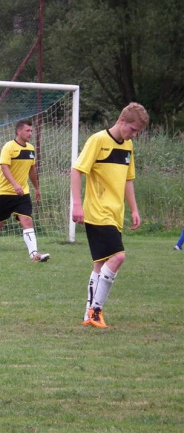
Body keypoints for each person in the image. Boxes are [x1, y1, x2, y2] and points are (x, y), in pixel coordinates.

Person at [71, 102, 150, 328]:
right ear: (122, 121)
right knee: (118, 257)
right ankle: (96, 311)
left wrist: (134, 209)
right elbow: (77, 171)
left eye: (137, 132)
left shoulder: (128, 146)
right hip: (97, 212)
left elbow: (127, 179)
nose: (133, 135)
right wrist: (77, 204)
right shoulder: (97, 141)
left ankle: (88, 315)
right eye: (132, 129)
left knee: (100, 264)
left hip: (115, 214)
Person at [0, 119, 50, 263]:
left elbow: (32, 170)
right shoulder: (9, 147)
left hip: (23, 193)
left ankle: (34, 255)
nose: (30, 133)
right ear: (18, 131)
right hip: (4, 193)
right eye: (27, 131)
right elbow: (4, 167)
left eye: (31, 131)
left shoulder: (31, 149)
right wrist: (14, 184)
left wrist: (37, 188)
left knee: (27, 220)